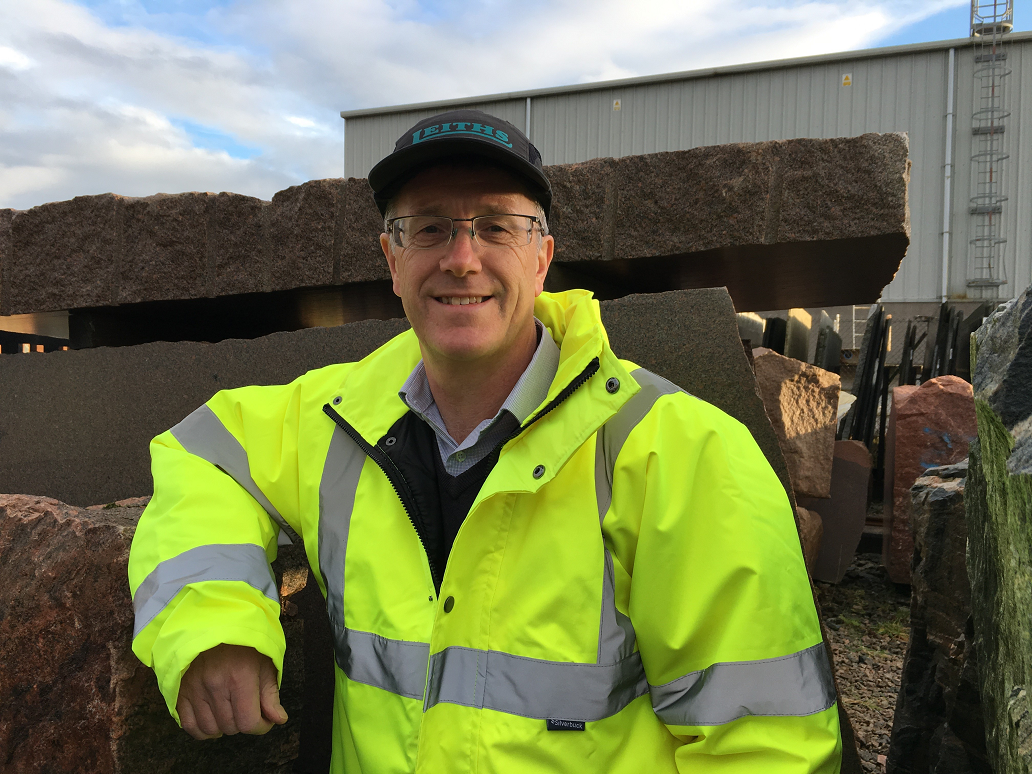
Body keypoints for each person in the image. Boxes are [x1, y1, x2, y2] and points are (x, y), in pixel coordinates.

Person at [128, 109, 842, 772]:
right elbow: (204, 458)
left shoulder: (682, 453)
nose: (462, 258)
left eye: (497, 227)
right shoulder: (335, 417)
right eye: (430, 228)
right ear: (391, 259)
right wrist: (214, 625)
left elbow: (766, 742)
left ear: (542, 257)